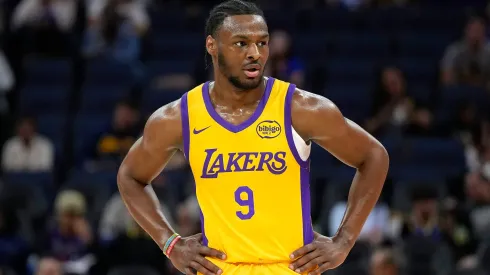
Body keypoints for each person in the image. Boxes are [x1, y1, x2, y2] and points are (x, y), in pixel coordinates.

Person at [117, 1, 389, 275]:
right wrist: (171, 244)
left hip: (289, 267)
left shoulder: (301, 108)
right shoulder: (178, 117)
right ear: (212, 46)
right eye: (241, 43)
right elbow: (130, 176)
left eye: (262, 43)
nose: (255, 53)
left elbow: (374, 156)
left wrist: (344, 240)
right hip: (220, 268)